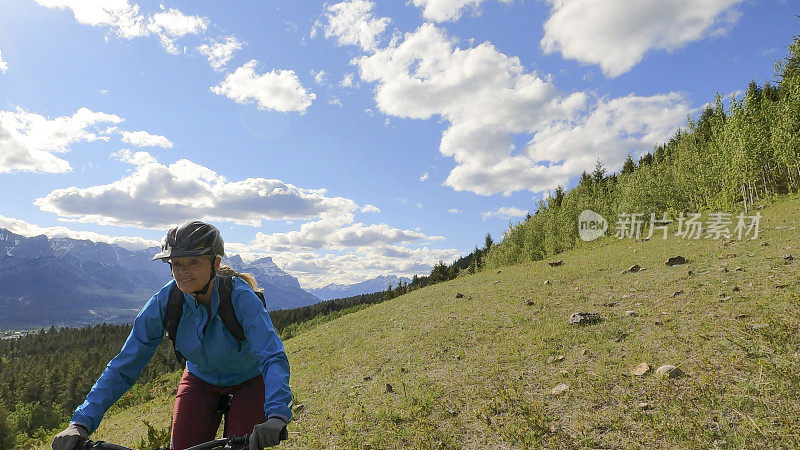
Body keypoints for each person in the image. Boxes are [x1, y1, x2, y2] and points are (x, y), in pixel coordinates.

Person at [52, 221, 293, 450]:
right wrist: (80, 423)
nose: (183, 272)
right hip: (200, 379)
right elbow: (124, 365)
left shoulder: (241, 298)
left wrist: (277, 415)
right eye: (176, 264)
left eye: (193, 262)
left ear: (216, 263)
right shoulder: (166, 302)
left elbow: (272, 356)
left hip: (250, 381)